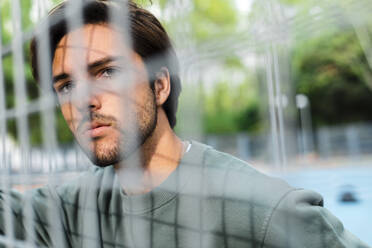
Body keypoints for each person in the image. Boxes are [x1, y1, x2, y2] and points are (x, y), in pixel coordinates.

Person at [0, 0, 369, 247]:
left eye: (107, 72)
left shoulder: (266, 211)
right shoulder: (75, 204)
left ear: (159, 85)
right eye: (66, 86)